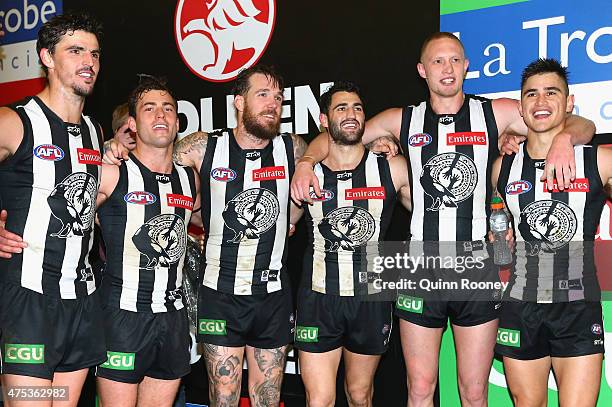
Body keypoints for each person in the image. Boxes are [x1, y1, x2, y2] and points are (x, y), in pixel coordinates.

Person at [291, 32, 595, 407]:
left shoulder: (494, 112)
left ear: (466, 66)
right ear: (422, 70)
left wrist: (566, 140)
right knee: (420, 390)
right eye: (437, 61)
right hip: (421, 267)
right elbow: (339, 139)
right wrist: (305, 163)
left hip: (476, 268)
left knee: (473, 392)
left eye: (454, 60)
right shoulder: (402, 119)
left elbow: (572, 120)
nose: (447, 68)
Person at [104, 64, 306, 407]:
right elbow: (157, 155)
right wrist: (115, 144)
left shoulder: (295, 149)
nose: (272, 103)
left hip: (272, 294)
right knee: (223, 398)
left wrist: (291, 215)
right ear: (239, 102)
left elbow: (333, 155)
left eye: (278, 97)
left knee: (267, 400)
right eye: (262, 94)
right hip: (218, 294)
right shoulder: (201, 148)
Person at [0, 12, 106, 406]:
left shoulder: (95, 133)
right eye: (75, 51)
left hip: (81, 298)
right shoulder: (15, 121)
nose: (89, 63)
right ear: (46, 56)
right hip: (29, 299)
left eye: (94, 54)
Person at [492, 58, 607, 407]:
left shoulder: (598, 160)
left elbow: (585, 129)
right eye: (532, 95)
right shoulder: (503, 166)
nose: (541, 102)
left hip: (577, 307)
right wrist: (500, 244)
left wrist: (568, 137)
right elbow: (499, 238)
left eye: (551, 92)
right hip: (521, 306)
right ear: (522, 108)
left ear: (569, 103)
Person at [293, 81, 411, 407]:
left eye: (357, 107)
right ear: (323, 119)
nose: (351, 114)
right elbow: (284, 224)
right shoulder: (307, 173)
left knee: (359, 395)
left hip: (370, 299)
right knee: (319, 399)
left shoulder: (391, 167)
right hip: (318, 297)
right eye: (341, 108)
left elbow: (434, 215)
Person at [95, 77, 200, 407]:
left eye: (168, 109)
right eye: (149, 109)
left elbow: (207, 222)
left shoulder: (189, 178)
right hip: (123, 316)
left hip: (172, 316)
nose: (160, 116)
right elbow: (55, 207)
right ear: (132, 123)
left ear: (177, 121)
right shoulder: (111, 172)